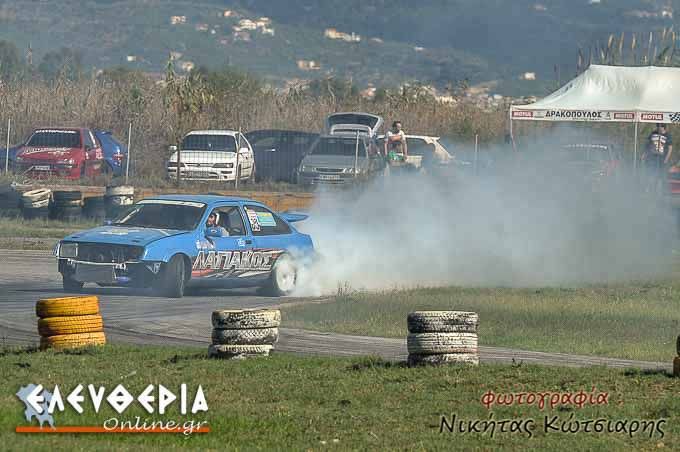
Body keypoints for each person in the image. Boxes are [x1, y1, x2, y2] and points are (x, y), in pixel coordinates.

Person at [643, 123, 673, 193]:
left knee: (661, 174)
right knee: (651, 172)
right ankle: (648, 189)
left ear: (663, 127)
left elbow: (670, 148)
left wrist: (666, 159)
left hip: (662, 158)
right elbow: (648, 144)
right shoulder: (653, 133)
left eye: (660, 126)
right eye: (657, 126)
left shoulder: (668, 135)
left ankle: (659, 190)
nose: (658, 128)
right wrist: (644, 153)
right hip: (652, 157)